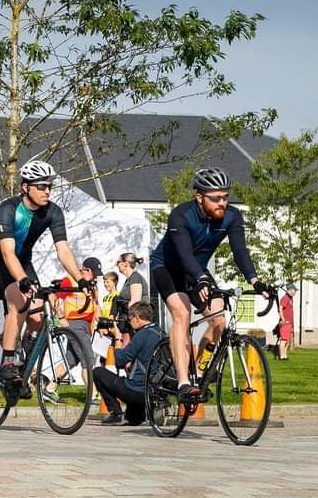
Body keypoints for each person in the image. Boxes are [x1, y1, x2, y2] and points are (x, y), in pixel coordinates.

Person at [149, 167, 270, 402]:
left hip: (197, 270)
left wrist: (255, 281)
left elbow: (240, 251)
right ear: (200, 197)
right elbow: (184, 255)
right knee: (182, 314)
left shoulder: (232, 216)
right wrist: (200, 277)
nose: (222, 203)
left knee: (219, 318)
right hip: (168, 268)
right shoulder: (181, 215)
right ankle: (184, 382)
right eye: (215, 198)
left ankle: (200, 374)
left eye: (225, 197)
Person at [0, 159, 88, 388]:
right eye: (41, 186)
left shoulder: (53, 212)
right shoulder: (8, 209)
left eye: (49, 186)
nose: (47, 191)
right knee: (19, 301)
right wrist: (22, 280)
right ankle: (7, 365)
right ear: (25, 187)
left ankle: (23, 367)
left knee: (37, 317)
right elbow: (7, 253)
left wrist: (81, 279)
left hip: (23, 262)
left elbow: (63, 250)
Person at [92, 301, 160, 426]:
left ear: (137, 318)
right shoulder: (160, 332)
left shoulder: (142, 335)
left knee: (97, 372)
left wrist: (118, 338)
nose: (129, 322)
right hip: (153, 391)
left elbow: (120, 361)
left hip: (135, 391)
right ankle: (138, 415)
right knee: (133, 420)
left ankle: (116, 412)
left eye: (130, 319)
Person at [278, 283, 297, 360]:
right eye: (294, 290)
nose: (295, 292)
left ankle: (285, 355)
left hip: (289, 323)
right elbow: (280, 308)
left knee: (287, 341)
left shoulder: (290, 299)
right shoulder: (285, 298)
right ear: (290, 290)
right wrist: (282, 319)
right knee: (284, 340)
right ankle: (281, 356)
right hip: (285, 322)